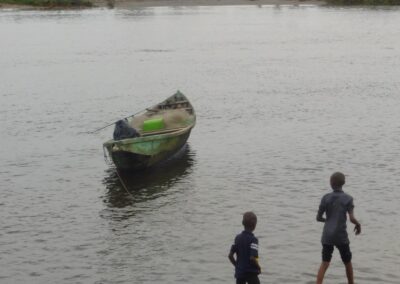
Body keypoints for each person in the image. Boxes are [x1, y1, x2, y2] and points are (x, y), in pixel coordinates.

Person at [316, 172, 361, 284]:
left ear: (331, 183)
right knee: (347, 262)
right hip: (341, 236)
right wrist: (358, 224)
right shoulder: (348, 199)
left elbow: (318, 218)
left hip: (327, 236)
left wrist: (328, 221)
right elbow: (351, 218)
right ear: (343, 183)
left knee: (325, 262)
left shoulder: (325, 198)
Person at [229, 211, 261, 284]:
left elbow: (230, 256)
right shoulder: (254, 239)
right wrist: (258, 266)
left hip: (240, 274)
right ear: (254, 225)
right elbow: (252, 258)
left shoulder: (237, 238)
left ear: (243, 223)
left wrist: (237, 265)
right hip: (251, 273)